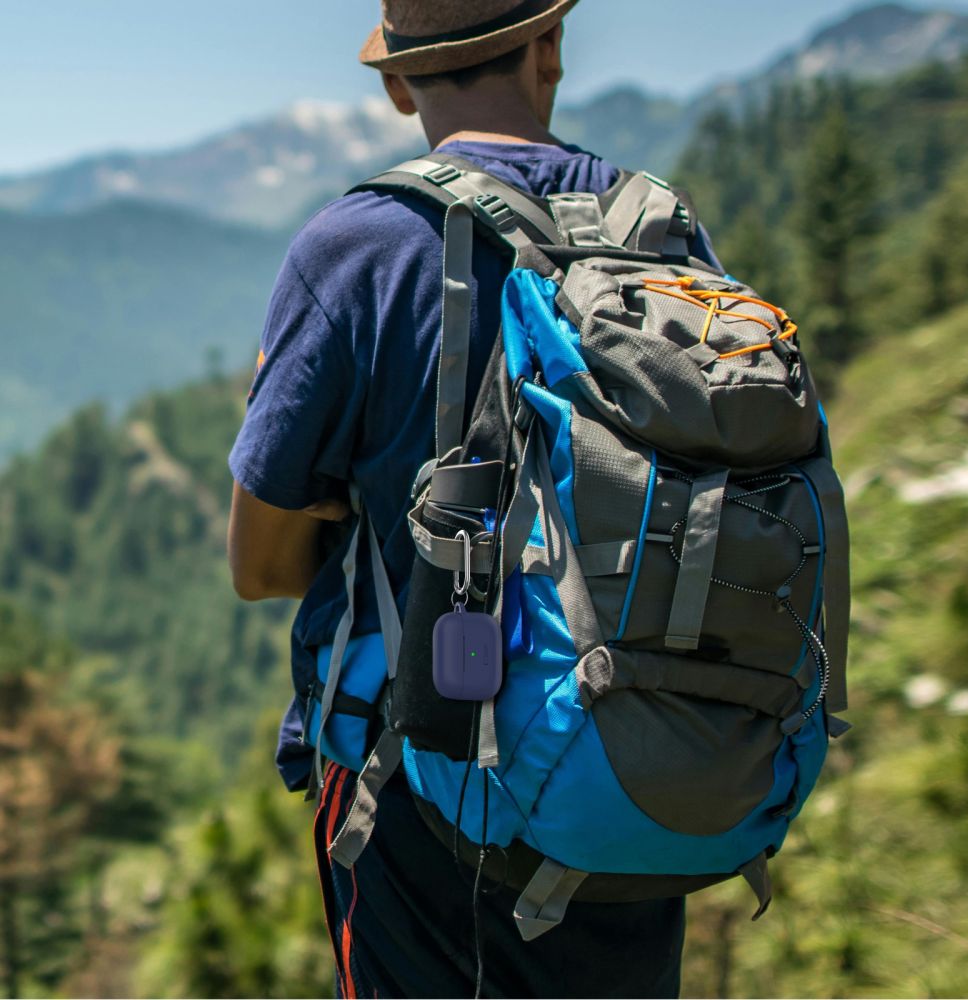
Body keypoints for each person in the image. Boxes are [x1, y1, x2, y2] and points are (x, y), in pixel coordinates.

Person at [228, 2, 722, 995]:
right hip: (632, 764)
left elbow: (260, 567)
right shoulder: (661, 235)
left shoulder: (357, 248)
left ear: (398, 83)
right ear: (551, 51)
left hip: (423, 788)